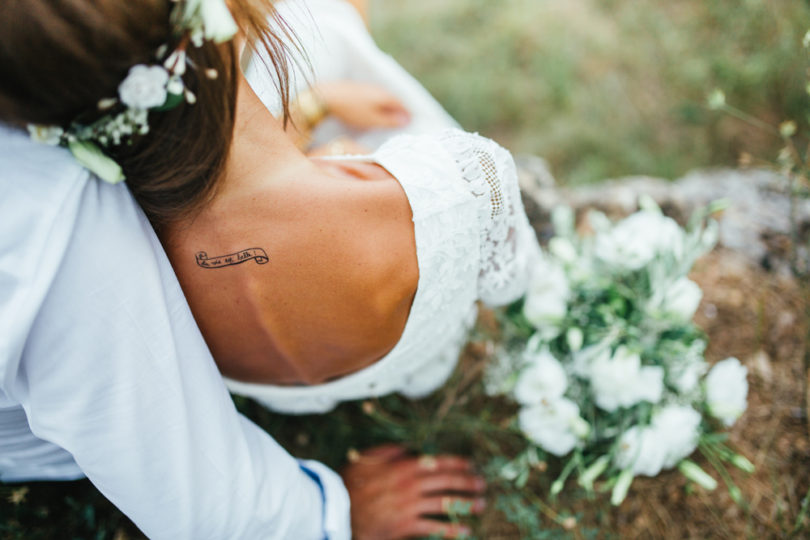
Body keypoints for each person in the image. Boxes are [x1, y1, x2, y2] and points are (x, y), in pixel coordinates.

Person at [1, 0, 540, 538]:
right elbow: (510, 277)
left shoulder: (127, 241)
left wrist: (310, 112)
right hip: (416, 355)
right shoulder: (458, 186)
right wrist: (330, 520)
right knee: (331, 24)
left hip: (259, 370)